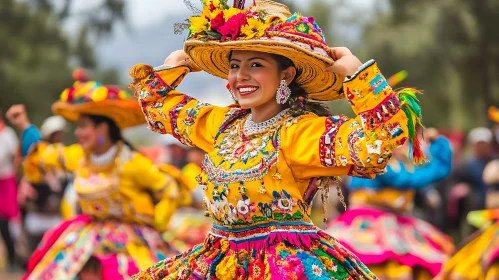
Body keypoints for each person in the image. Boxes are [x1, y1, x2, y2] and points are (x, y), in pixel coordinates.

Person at [128, 1, 426, 279]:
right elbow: (156, 105)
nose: (240, 76)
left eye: (255, 65)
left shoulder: (300, 133)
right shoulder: (222, 124)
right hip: (218, 262)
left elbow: (379, 143)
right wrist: (177, 63)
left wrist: (358, 74)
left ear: (286, 74)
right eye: (234, 65)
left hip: (285, 267)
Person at [6, 78, 180, 280]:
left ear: (103, 129)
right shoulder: (79, 157)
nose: (77, 133)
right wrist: (25, 125)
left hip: (132, 243)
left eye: (83, 126)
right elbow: (43, 156)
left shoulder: (133, 163)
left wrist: (155, 227)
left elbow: (170, 190)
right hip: (88, 239)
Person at [326, 128, 454, 279]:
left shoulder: (403, 159)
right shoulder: (372, 153)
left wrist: (438, 144)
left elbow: (436, 169)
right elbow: (405, 178)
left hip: (399, 221)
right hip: (367, 219)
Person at [440, 111, 499, 279]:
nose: (481, 146)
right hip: (477, 213)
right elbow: (453, 181)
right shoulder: (467, 165)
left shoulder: (493, 161)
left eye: (484, 143)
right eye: (478, 143)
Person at [0, 110, 20, 272]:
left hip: (6, 181)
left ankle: (14, 258)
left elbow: (16, 158)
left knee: (8, 221)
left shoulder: (7, 134)